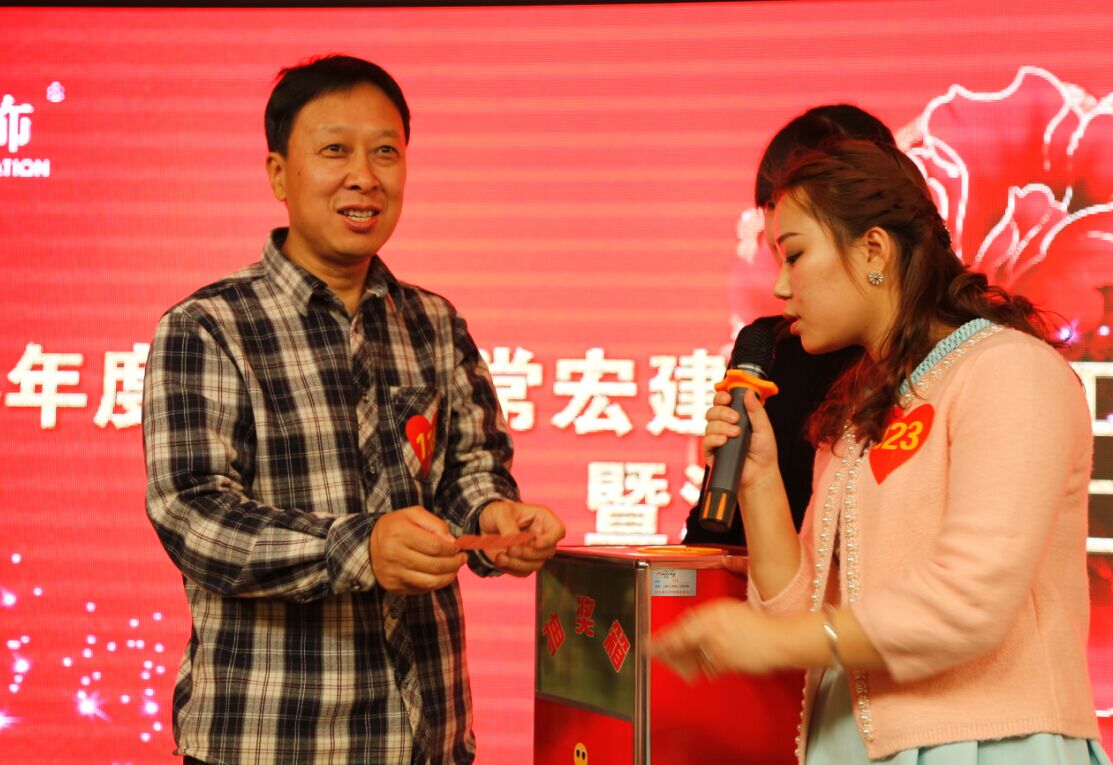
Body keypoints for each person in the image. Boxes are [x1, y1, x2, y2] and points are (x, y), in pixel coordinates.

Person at [142, 54, 565, 765]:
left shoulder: (433, 322)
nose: (364, 176)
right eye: (335, 149)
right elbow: (195, 515)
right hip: (271, 739)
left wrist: (496, 519)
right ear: (279, 174)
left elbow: (469, 469)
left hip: (426, 734)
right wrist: (360, 548)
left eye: (385, 152)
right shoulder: (209, 326)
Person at [654, 138, 1110, 764]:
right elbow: (800, 609)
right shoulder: (861, 407)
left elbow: (969, 601)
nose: (781, 288)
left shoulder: (1009, 370)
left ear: (873, 249)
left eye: (795, 255)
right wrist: (757, 479)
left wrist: (776, 640)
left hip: (986, 745)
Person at [685, 105, 891, 545]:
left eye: (796, 251)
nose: (781, 285)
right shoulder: (766, 349)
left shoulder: (955, 363)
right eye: (772, 207)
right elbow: (716, 539)